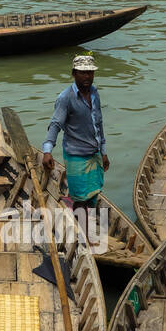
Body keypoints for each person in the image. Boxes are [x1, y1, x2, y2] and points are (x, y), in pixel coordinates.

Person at [43, 55, 109, 219]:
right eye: (82, 73)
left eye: (90, 73)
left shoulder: (94, 93)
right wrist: (47, 151)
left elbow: (98, 125)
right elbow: (55, 124)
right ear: (74, 73)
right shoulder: (66, 98)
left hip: (94, 155)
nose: (87, 77)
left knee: (93, 197)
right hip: (76, 156)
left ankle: (89, 231)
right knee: (80, 200)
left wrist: (104, 152)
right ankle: (82, 239)